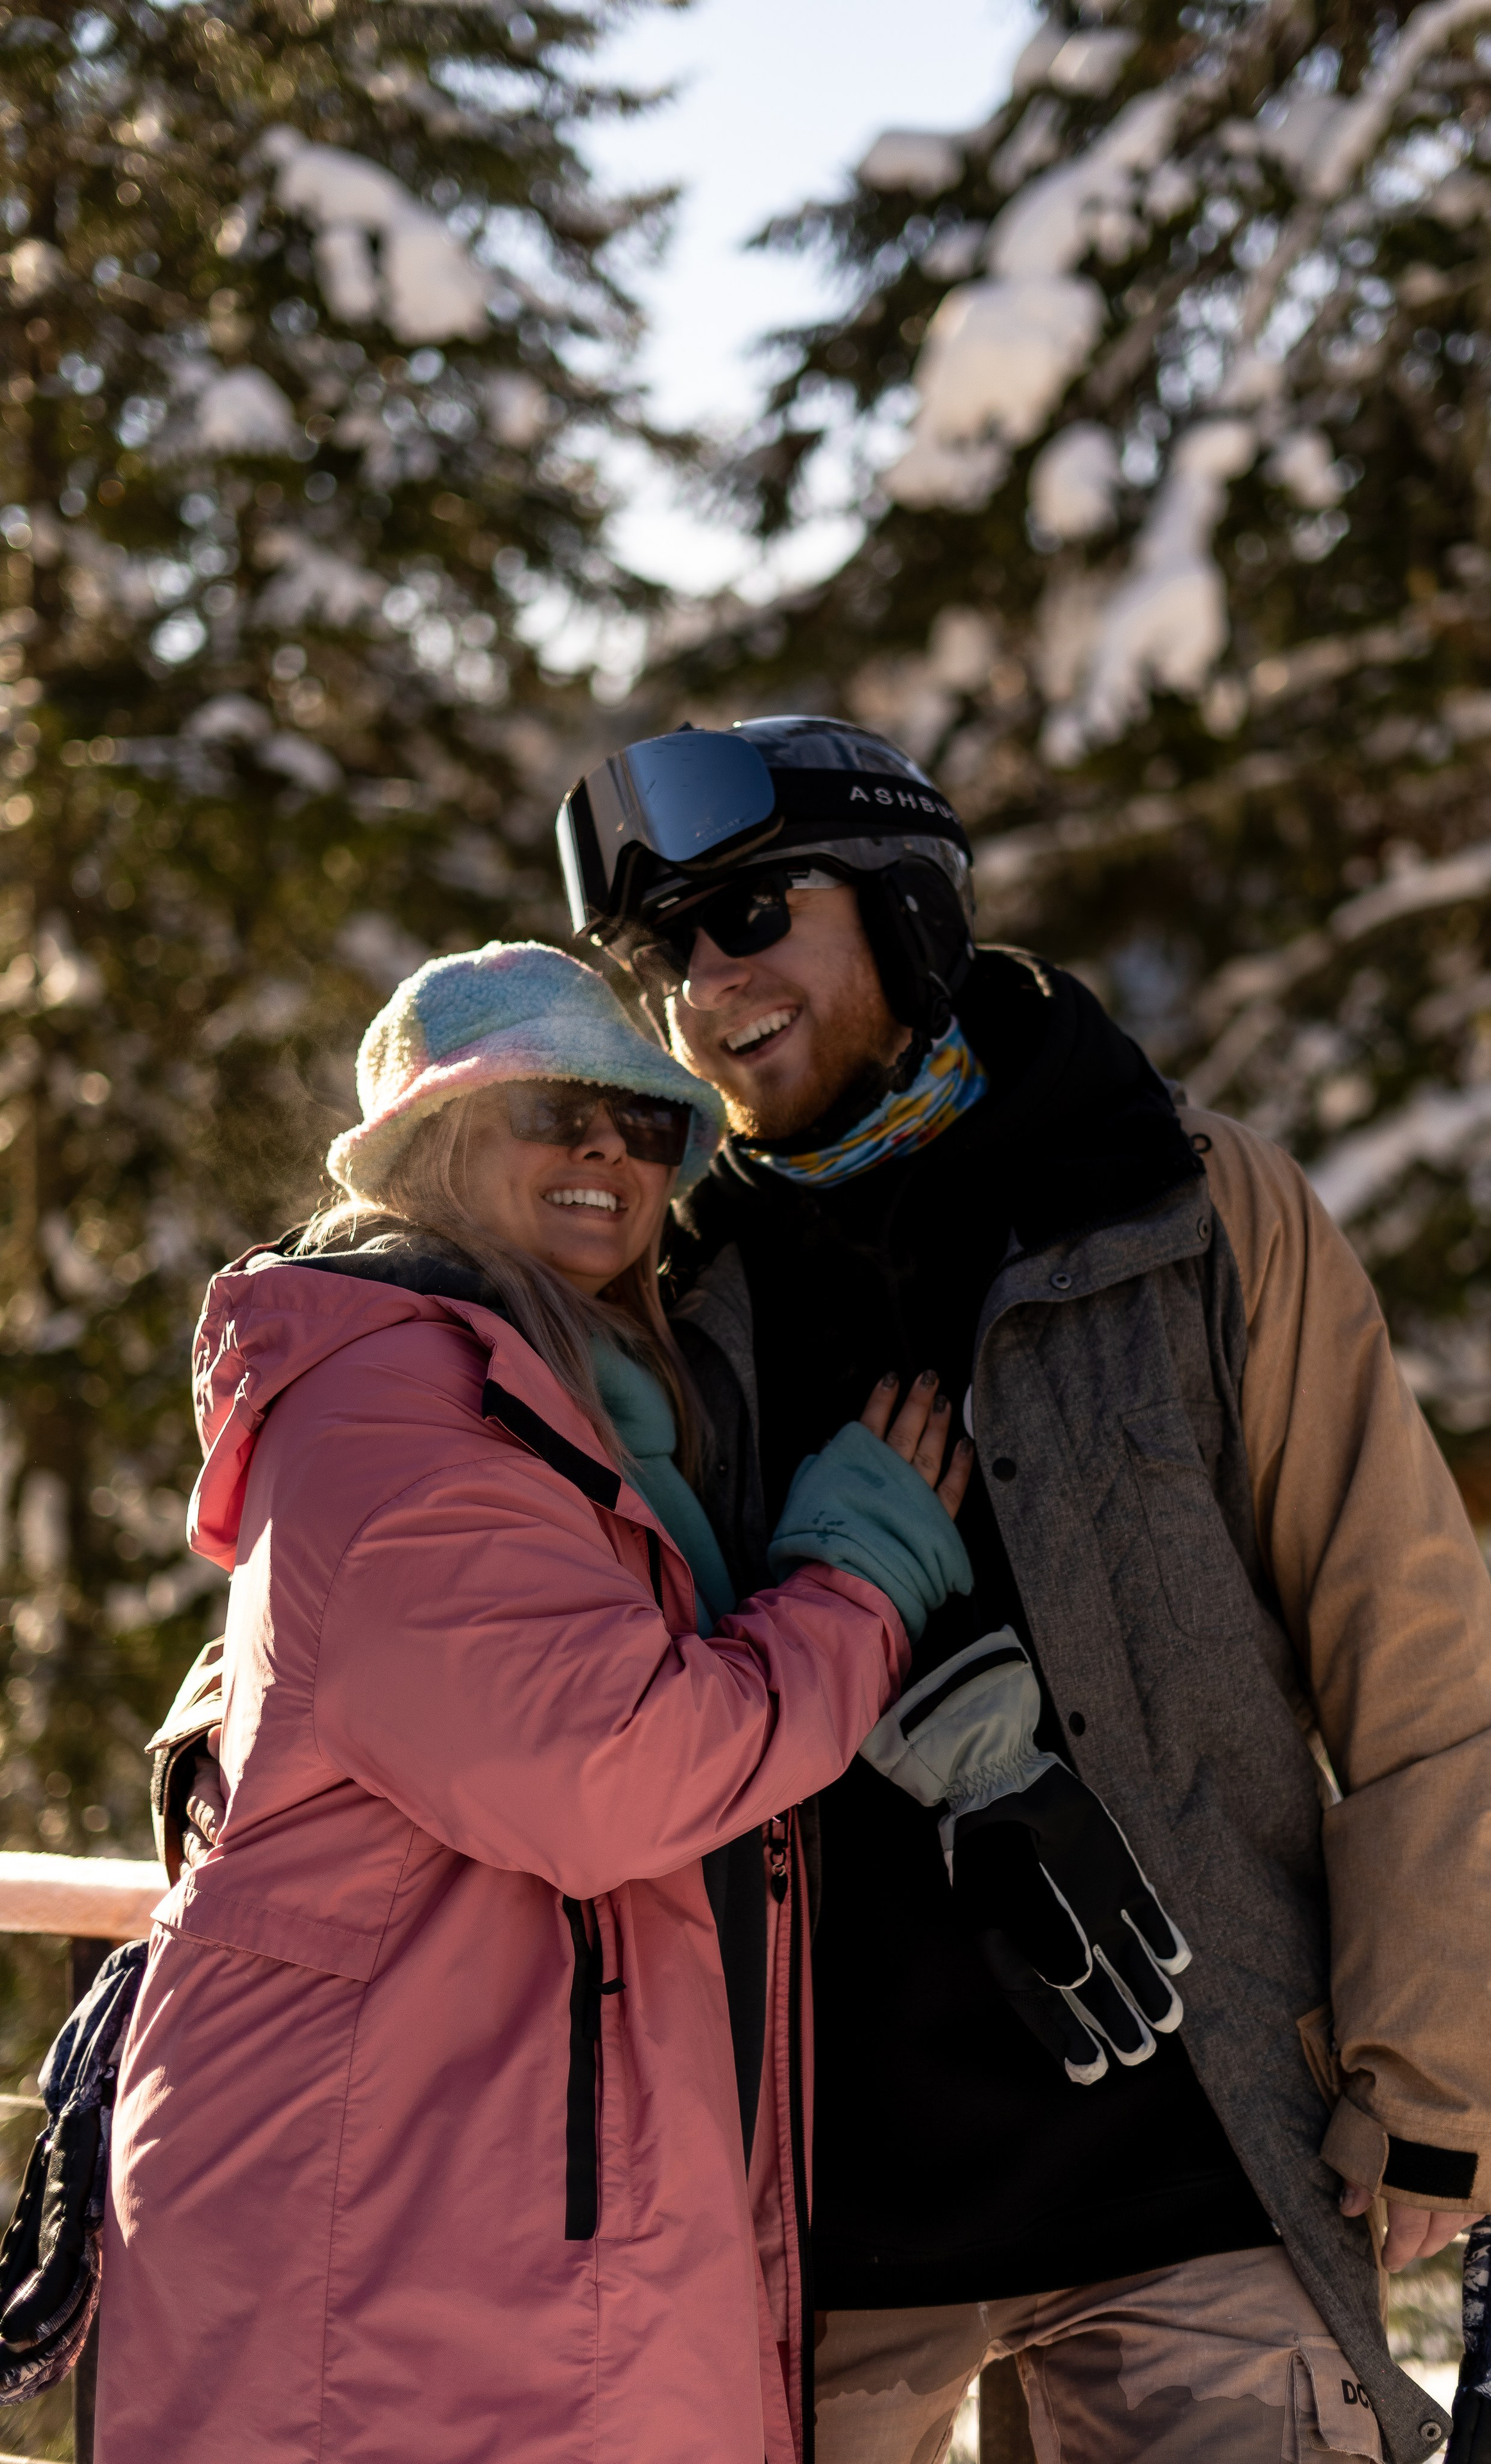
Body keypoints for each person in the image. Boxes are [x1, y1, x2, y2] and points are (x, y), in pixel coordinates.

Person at [554, 717, 1491, 2464]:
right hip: (809, 2224)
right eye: (664, 956)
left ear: (905, 911)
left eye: (754, 916)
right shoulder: (669, 1297)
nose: (705, 986)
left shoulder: (1184, 1205)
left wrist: (1440, 2082)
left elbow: (1406, 1635)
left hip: (1202, 2183)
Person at [100, 939, 975, 2464]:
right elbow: (616, 1774)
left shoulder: (549, 1411)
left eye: (644, 1125)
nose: (605, 1150)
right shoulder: (399, 1422)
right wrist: (858, 1576)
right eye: (550, 1110)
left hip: (468, 2222)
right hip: (401, 2254)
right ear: (424, 1154)